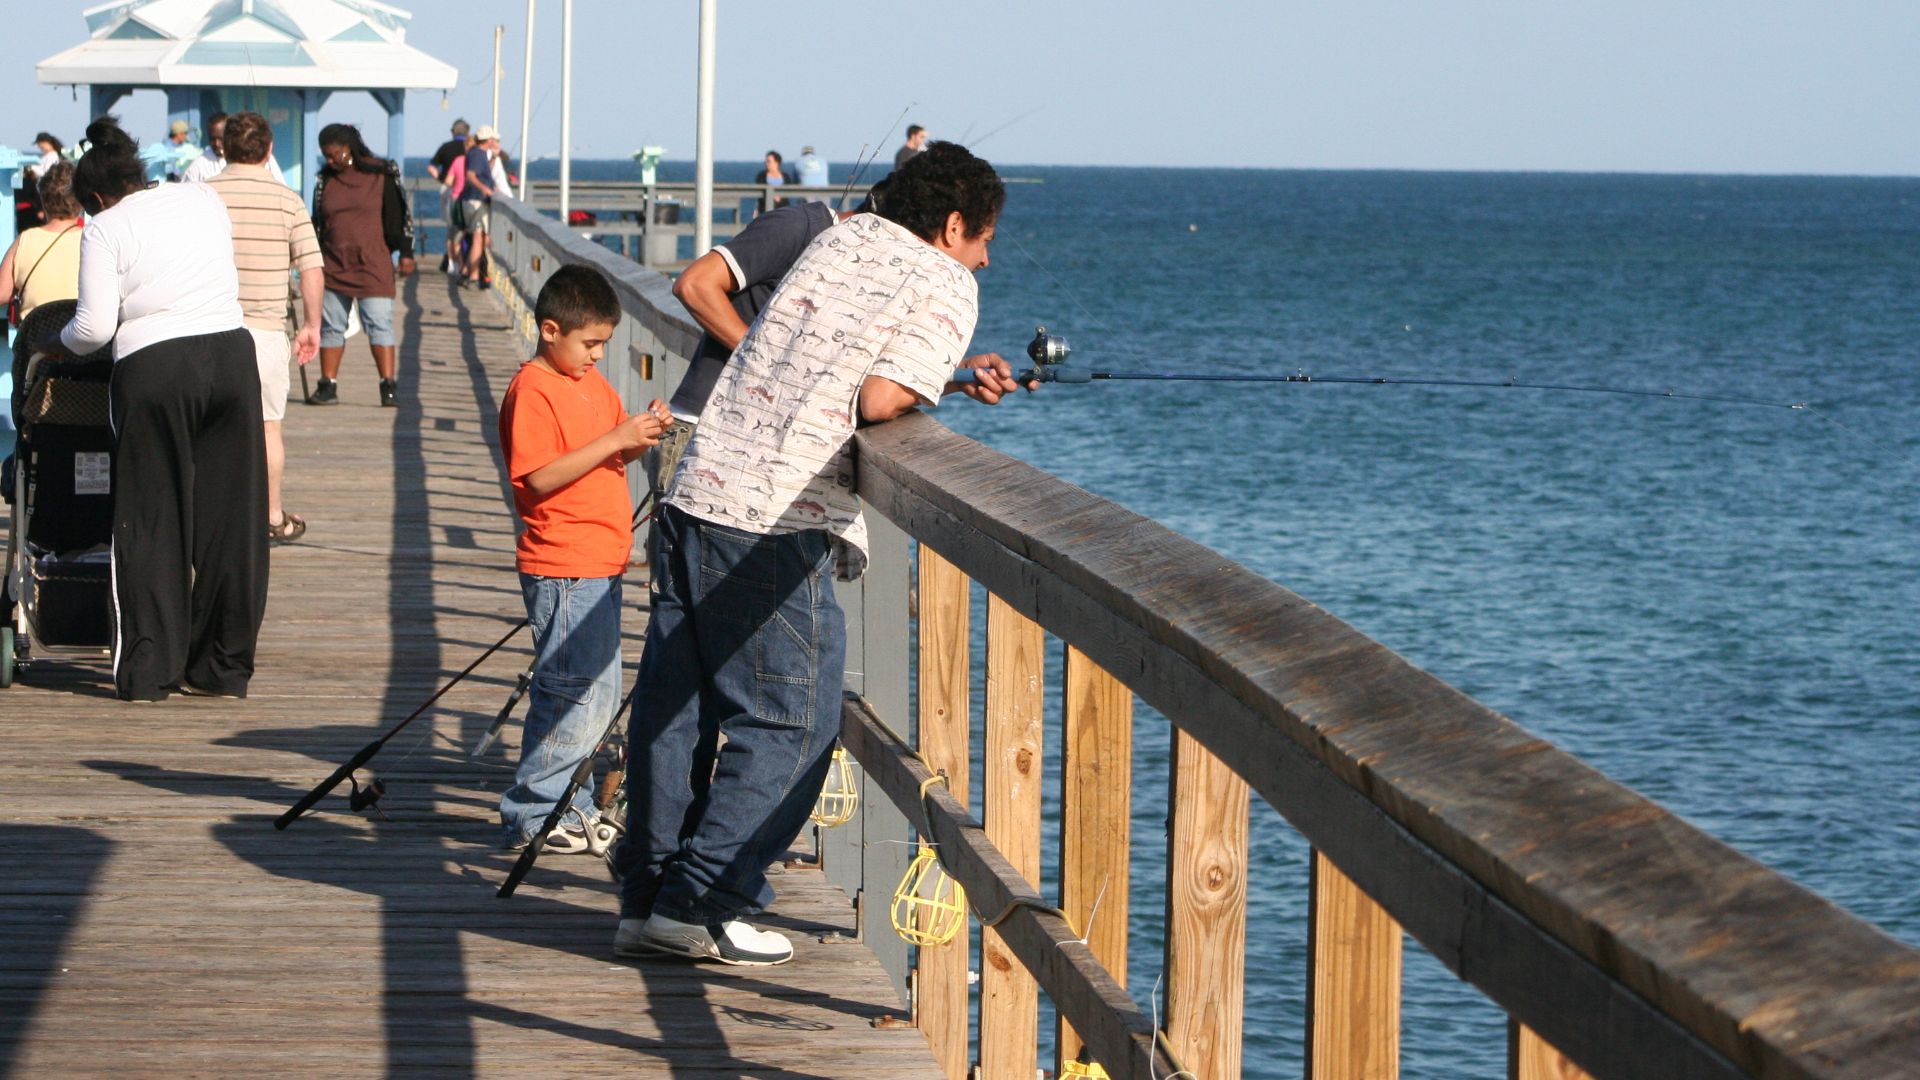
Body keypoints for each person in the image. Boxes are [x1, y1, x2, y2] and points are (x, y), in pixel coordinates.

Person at [612, 141, 1020, 965]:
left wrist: (937, 373)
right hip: (774, 512)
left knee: (675, 707)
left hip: (696, 488)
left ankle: (649, 897)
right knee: (797, 718)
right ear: (952, 227)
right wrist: (930, 378)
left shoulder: (839, 237)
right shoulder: (946, 281)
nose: (985, 257)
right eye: (985, 239)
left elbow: (821, 353)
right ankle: (702, 901)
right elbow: (877, 398)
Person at [42, 117, 265, 702]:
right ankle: (221, 666)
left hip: (158, 366)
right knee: (231, 521)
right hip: (232, 355)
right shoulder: (203, 197)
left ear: (93, 198)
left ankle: (151, 669)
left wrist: (51, 343)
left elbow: (92, 328)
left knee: (152, 519)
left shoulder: (106, 228)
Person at [496, 264, 671, 852]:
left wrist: (638, 431)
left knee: (595, 692)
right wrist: (615, 441)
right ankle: (535, 810)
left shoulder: (590, 384)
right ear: (550, 330)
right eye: (590, 343)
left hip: (602, 559)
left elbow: (607, 444)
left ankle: (563, 804)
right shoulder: (534, 390)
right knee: (573, 691)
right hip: (564, 563)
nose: (598, 355)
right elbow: (540, 476)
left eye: (604, 344)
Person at [206, 112, 325, 546]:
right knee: (267, 427)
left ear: (224, 147)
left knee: (206, 427)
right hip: (265, 331)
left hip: (207, 329)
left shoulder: (201, 196)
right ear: (269, 150)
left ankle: (210, 512)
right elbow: (311, 268)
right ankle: (272, 515)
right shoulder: (287, 200)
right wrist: (311, 325)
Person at [308, 123, 415, 408]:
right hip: (333, 262)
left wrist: (406, 253)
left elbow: (400, 216)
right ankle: (327, 385)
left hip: (373, 263)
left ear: (349, 148)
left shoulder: (381, 173)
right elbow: (317, 220)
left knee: (379, 323)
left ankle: (388, 385)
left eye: (334, 154)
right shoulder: (325, 180)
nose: (330, 161)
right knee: (331, 326)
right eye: (325, 156)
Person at [1, 162, 83, 326]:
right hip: (80, 339)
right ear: (81, 201)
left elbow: (2, 293)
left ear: (44, 201)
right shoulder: (93, 240)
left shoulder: (25, 240)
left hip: (37, 341)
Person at [181, 112, 292, 188]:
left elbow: (281, 186)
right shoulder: (199, 165)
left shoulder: (259, 156)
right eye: (212, 139)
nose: (216, 143)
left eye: (220, 139)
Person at [427, 120, 471, 273]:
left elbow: (431, 167)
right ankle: (465, 261)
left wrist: (442, 179)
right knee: (467, 230)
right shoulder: (471, 150)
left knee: (451, 229)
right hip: (469, 193)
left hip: (450, 190)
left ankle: (452, 263)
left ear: (453, 132)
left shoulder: (446, 147)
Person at [459, 126, 499, 289]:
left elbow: (483, 172)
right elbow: (471, 175)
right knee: (478, 238)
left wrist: (494, 157)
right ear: (488, 140)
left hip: (471, 200)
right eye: (493, 140)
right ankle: (474, 277)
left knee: (480, 239)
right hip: (476, 201)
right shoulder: (477, 154)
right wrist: (484, 189)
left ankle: (466, 271)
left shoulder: (478, 154)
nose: (495, 142)